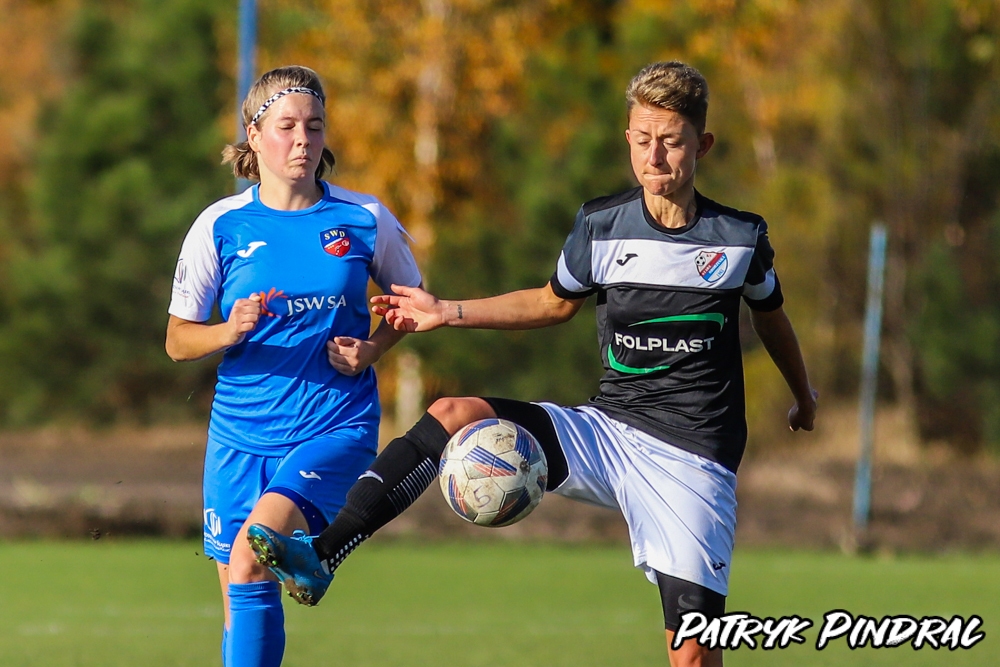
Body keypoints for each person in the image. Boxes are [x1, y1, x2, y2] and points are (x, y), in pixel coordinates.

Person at [248, 61, 817, 667]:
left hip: (693, 457)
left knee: (694, 656)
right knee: (454, 411)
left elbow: (771, 317)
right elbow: (551, 303)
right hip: (609, 432)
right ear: (627, 138)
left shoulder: (739, 237)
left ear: (702, 145)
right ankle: (324, 553)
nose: (654, 157)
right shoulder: (602, 225)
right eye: (642, 139)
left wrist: (803, 394)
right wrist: (445, 311)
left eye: (672, 141)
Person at [165, 65, 421, 667]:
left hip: (332, 426)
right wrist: (229, 331)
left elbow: (414, 305)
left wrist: (373, 348)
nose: (303, 140)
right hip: (239, 436)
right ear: (255, 136)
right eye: (287, 127)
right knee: (243, 596)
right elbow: (177, 341)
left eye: (314, 126)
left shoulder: (364, 217)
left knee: (253, 554)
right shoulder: (220, 224)